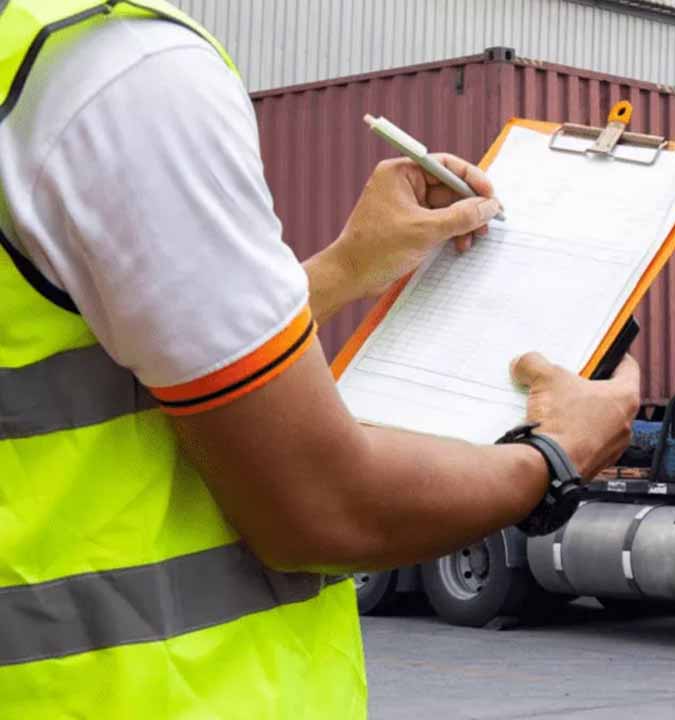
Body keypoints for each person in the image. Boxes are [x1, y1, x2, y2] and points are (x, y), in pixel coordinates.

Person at [0, 2, 637, 717]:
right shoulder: (111, 69)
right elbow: (326, 506)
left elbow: (118, 366)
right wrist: (555, 457)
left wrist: (345, 268)